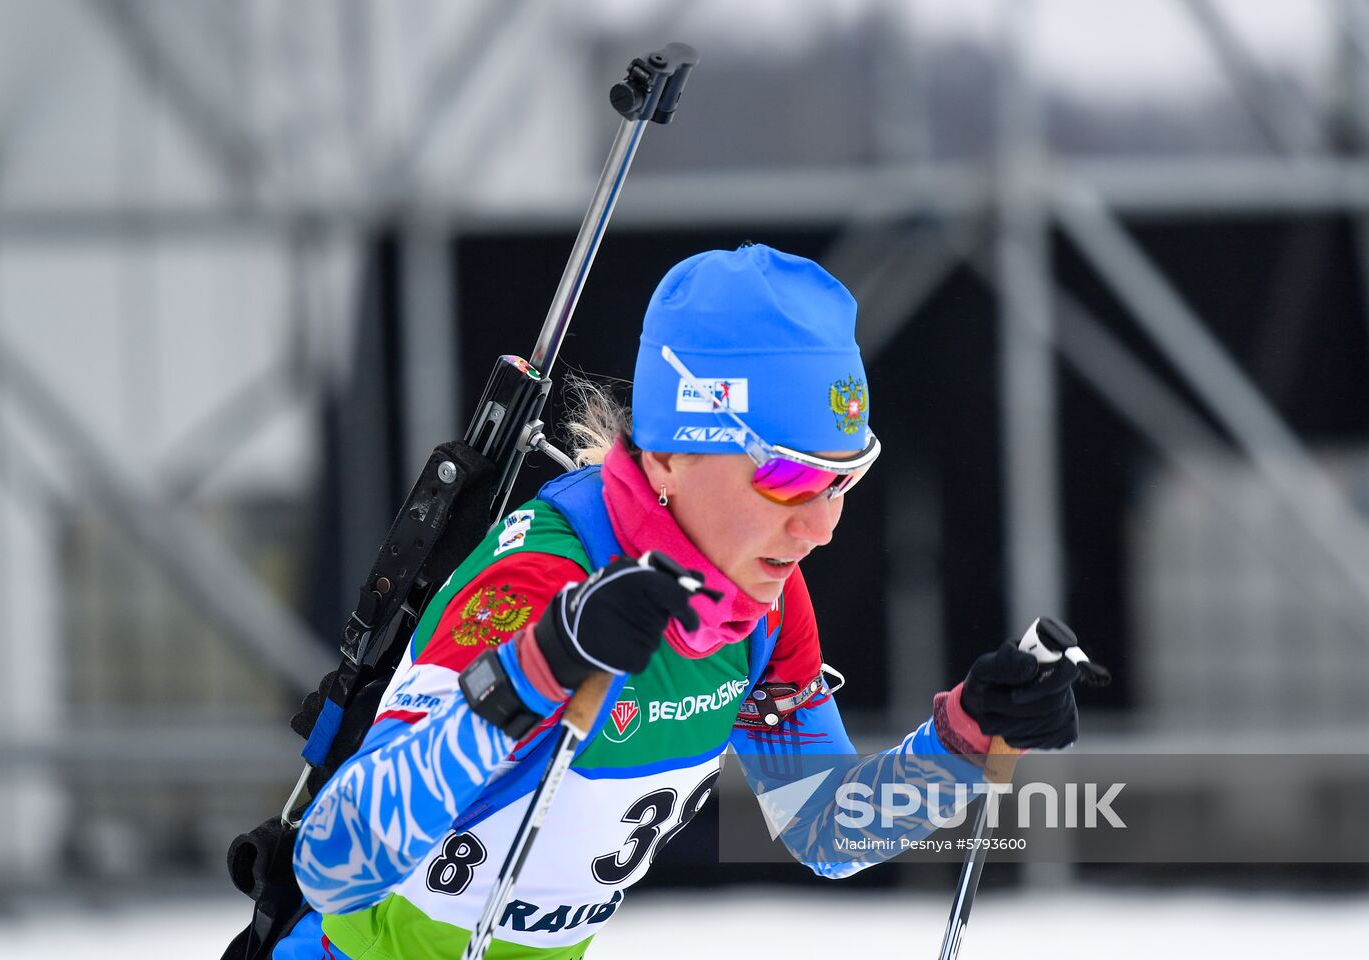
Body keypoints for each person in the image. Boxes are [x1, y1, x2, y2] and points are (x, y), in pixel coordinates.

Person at [275, 244, 1082, 959]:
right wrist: (535, 672)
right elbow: (332, 862)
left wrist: (968, 739)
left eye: (843, 478)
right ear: (667, 455)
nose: (822, 524)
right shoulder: (536, 583)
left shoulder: (762, 599)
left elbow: (827, 827)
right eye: (789, 476)